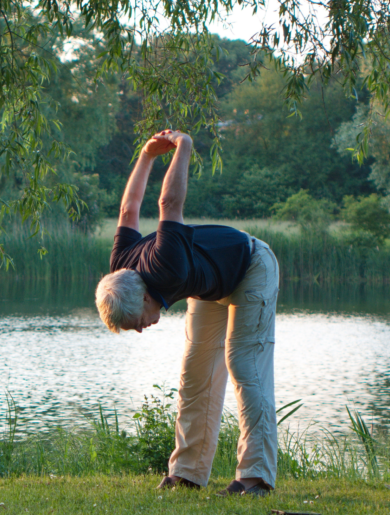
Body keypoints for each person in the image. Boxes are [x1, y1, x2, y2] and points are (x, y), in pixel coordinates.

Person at [94, 129, 280, 496]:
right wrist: (146, 156)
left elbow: (169, 204)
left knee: (243, 365)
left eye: (137, 324)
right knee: (195, 374)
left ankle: (256, 477)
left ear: (145, 298)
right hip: (210, 284)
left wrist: (184, 148)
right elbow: (128, 209)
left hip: (252, 266)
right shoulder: (121, 267)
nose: (142, 330)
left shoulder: (167, 266)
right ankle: (187, 472)